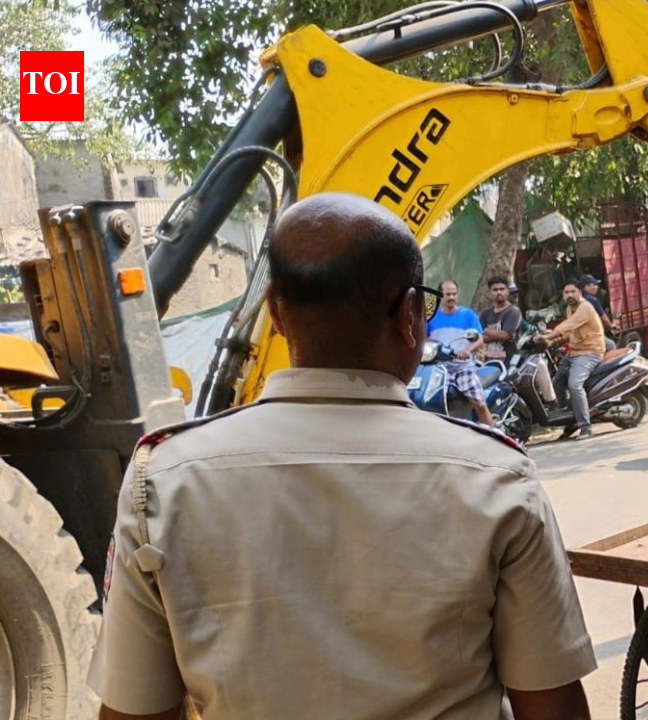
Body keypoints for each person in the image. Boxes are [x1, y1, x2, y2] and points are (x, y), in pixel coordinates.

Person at [87, 193, 595, 720]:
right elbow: (552, 707)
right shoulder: (499, 480)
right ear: (411, 316)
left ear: (277, 315)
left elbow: (133, 710)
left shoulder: (164, 481)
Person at [539, 279, 606, 440]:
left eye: (573, 291)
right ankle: (569, 419)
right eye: (566, 292)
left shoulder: (585, 307)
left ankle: (585, 427)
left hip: (589, 352)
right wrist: (552, 341)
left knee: (575, 385)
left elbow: (567, 326)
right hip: (574, 353)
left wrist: (549, 335)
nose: (569, 295)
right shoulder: (570, 308)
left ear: (580, 292)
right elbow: (570, 333)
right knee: (556, 382)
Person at [428, 280, 497, 427]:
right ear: (440, 296)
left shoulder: (468, 315)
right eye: (447, 294)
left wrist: (467, 350)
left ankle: (496, 435)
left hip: (463, 368)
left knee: (479, 404)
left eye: (454, 294)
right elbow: (423, 340)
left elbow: (479, 338)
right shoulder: (431, 318)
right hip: (439, 371)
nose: (451, 297)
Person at [481, 276, 523, 366]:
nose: (499, 292)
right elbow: (479, 337)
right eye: (495, 290)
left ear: (507, 291)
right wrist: (500, 335)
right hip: (489, 361)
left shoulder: (514, 312)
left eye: (502, 289)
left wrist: (485, 330)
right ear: (489, 293)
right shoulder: (485, 314)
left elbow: (504, 335)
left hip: (510, 362)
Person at [578, 274, 617, 339]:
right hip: (594, 334)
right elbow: (604, 319)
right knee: (611, 345)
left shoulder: (579, 299)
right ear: (586, 286)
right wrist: (611, 326)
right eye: (594, 285)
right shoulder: (593, 300)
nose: (597, 287)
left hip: (582, 335)